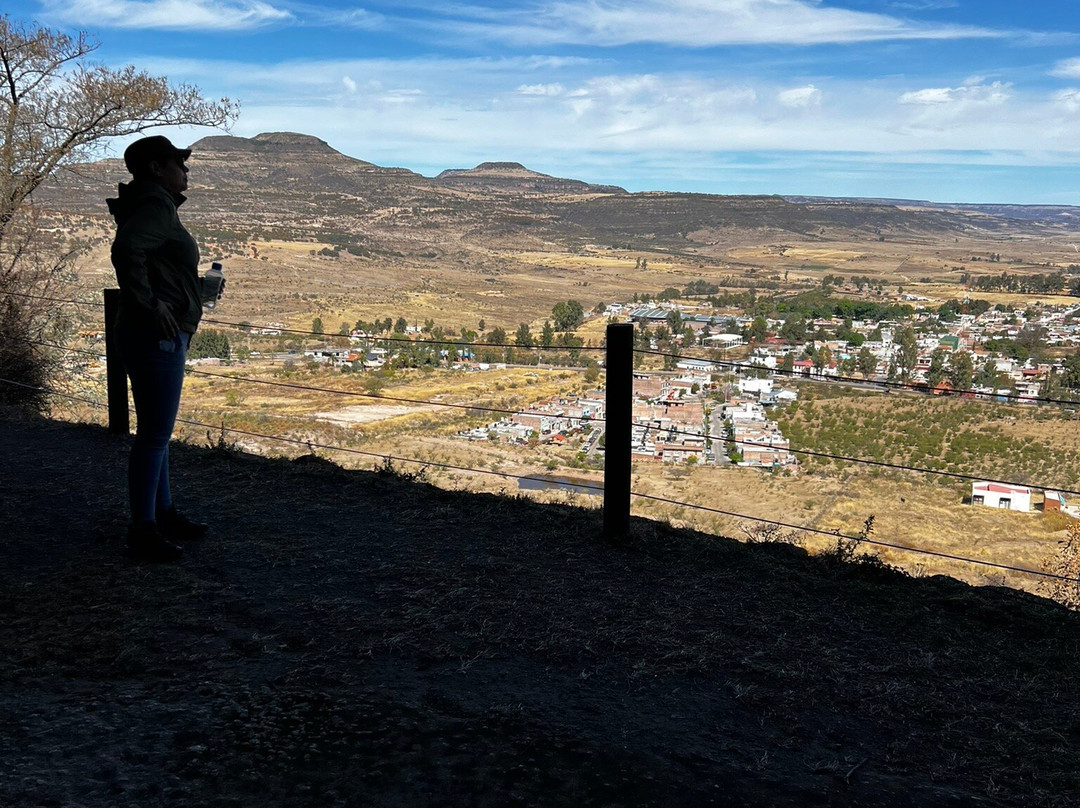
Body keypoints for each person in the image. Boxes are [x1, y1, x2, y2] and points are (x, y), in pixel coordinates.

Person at [107, 135, 221, 561]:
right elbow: (127, 250)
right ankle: (144, 528)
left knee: (156, 433)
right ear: (157, 168)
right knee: (154, 437)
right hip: (155, 335)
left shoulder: (149, 204)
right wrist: (150, 303)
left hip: (148, 333)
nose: (186, 172)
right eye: (180, 164)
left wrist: (190, 290)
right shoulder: (155, 206)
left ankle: (163, 513)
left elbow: (147, 257)